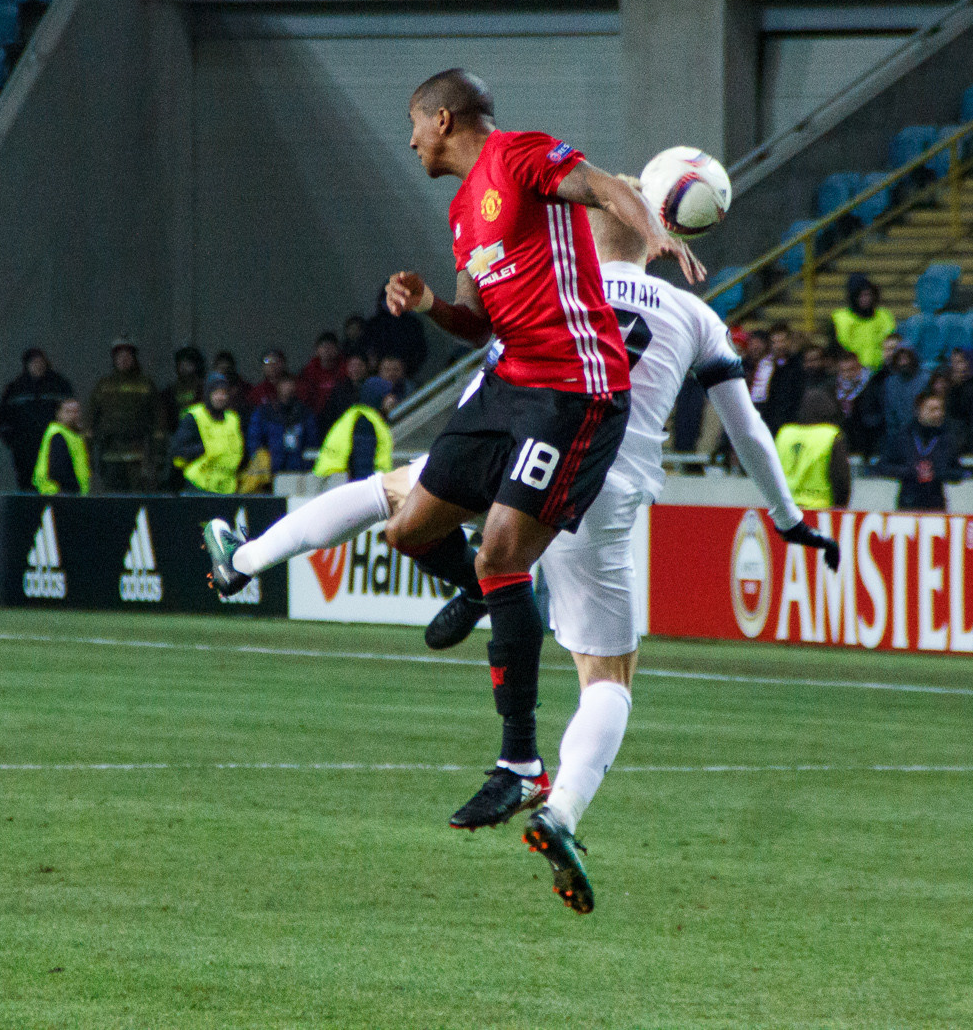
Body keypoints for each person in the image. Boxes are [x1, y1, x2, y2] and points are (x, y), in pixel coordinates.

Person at [205, 172, 833, 914]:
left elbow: (490, 366)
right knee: (607, 678)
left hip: (521, 449)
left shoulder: (552, 287)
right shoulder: (692, 314)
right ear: (659, 237)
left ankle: (244, 560)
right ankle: (561, 810)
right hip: (608, 486)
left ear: (588, 228)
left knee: (390, 493)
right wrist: (788, 517)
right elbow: (747, 428)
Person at [202, 67, 709, 862]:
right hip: (507, 385)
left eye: (414, 124)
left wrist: (651, 230)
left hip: (574, 390)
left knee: (501, 552)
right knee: (406, 530)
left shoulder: (520, 156)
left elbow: (608, 187)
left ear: (444, 118)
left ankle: (519, 761)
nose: (408, 140)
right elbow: (479, 324)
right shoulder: (461, 215)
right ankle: (485, 594)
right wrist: (431, 303)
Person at [0, 348, 72, 490]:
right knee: (27, 487)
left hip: (54, 449)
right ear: (27, 365)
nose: (38, 365)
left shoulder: (59, 385)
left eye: (40, 362)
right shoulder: (15, 389)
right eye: (34, 362)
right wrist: (14, 442)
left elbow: (71, 412)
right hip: (25, 452)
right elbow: (3, 418)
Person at [88, 337, 159, 492]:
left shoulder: (146, 384)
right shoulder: (103, 385)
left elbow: (158, 420)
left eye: (127, 356)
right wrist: (89, 451)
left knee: (138, 499)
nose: (123, 360)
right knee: (112, 500)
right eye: (119, 356)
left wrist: (157, 455)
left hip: (138, 455)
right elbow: (90, 419)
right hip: (109, 454)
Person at [876, 390, 962, 510]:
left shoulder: (946, 438)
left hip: (936, 505)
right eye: (933, 410)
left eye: (940, 409)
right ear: (919, 410)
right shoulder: (903, 436)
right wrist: (910, 471)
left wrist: (937, 473)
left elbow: (958, 472)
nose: (938, 414)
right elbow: (883, 466)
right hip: (908, 503)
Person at [774, 385, 852, 509]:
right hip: (820, 510)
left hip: (786, 509)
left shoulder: (784, 433)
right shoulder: (830, 435)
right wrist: (840, 506)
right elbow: (840, 478)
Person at [312, 377, 397, 482]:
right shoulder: (365, 422)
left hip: (334, 478)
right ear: (377, 396)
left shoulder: (361, 416)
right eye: (388, 396)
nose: (392, 400)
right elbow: (363, 464)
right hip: (342, 481)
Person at [171, 372, 244, 494]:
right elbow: (179, 452)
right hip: (199, 485)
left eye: (224, 393)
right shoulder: (194, 417)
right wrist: (203, 449)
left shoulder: (233, 419)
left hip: (227, 487)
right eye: (216, 393)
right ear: (208, 394)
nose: (220, 397)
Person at [245, 373, 320, 480]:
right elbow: (254, 441)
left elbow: (312, 444)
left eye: (290, 384)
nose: (287, 388)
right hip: (269, 473)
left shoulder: (304, 413)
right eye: (284, 384)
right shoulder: (265, 412)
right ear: (277, 386)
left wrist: (306, 466)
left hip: (297, 472)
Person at [831, 273, 894, 369]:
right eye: (861, 296)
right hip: (852, 371)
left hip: (882, 370)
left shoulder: (884, 316)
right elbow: (834, 350)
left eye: (868, 295)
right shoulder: (839, 319)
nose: (866, 299)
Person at [33, 398, 92, 495]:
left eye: (76, 412)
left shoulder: (73, 436)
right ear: (59, 414)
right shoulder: (58, 434)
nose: (73, 416)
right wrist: (72, 490)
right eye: (68, 412)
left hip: (65, 494)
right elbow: (58, 470)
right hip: (57, 493)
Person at [296, 332, 351, 415]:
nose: (327, 350)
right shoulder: (308, 372)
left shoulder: (346, 369)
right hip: (315, 417)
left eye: (331, 347)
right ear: (317, 350)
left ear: (337, 350)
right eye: (324, 346)